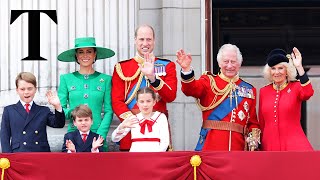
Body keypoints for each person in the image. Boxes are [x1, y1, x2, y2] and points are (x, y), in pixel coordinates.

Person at [176, 44, 260, 151]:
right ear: (219, 63)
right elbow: (190, 89)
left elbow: (252, 122)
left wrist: (253, 140)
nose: (229, 66)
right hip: (212, 146)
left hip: (238, 148)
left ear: (239, 64)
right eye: (226, 62)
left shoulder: (249, 90)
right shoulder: (209, 82)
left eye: (233, 62)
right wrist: (186, 70)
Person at [112, 24, 177, 151]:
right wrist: (134, 121)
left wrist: (153, 78)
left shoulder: (167, 65)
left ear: (154, 41)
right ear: (135, 40)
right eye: (141, 39)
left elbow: (170, 96)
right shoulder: (122, 67)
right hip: (131, 130)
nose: (145, 43)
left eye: (149, 39)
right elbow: (116, 101)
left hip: (158, 128)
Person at [57, 37, 114, 151]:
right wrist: (74, 114)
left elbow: (109, 111)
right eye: (81, 52)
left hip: (97, 136)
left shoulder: (106, 80)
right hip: (74, 135)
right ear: (76, 56)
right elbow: (61, 108)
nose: (85, 55)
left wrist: (100, 135)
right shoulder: (66, 79)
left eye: (89, 51)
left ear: (95, 54)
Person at [259, 47, 314, 151]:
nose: (276, 72)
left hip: (294, 144)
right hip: (269, 145)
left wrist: (299, 67)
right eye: (273, 68)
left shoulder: (296, 87)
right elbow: (262, 122)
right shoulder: (264, 91)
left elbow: (308, 92)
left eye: (280, 68)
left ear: (287, 70)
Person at [1, 72, 65, 153]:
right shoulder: (9, 110)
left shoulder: (43, 110)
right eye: (22, 89)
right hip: (18, 154)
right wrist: (7, 157)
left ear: (35, 89)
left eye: (30, 88)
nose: (26, 92)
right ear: (17, 90)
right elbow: (4, 136)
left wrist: (57, 106)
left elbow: (59, 124)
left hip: (40, 154)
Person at [111, 87, 169, 152]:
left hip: (155, 156)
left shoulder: (161, 117)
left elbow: (165, 142)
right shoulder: (133, 118)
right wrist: (122, 126)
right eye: (141, 102)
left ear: (154, 102)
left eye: (148, 101)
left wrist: (156, 157)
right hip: (135, 157)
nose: (145, 105)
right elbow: (114, 139)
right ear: (137, 103)